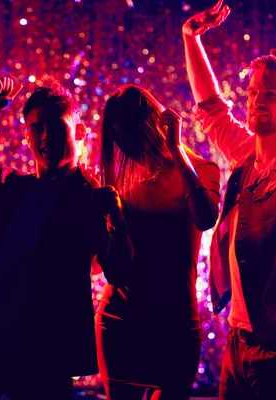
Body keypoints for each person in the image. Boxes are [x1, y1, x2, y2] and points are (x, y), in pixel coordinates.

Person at [0, 78, 133, 400]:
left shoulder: (92, 201)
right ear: (27, 136)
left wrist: (117, 221)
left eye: (56, 127)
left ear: (79, 133)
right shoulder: (10, 187)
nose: (46, 137)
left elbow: (120, 273)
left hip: (43, 354)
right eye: (36, 128)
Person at [184, 2, 276, 398]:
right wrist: (191, 37)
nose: (255, 99)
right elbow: (211, 107)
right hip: (239, 341)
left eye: (271, 94)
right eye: (252, 91)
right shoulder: (246, 156)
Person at [95, 85, 220, 400]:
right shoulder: (118, 182)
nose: (127, 150)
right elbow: (111, 270)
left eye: (131, 138)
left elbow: (205, 217)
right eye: (120, 142)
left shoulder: (201, 169)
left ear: (150, 125)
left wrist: (176, 148)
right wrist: (116, 223)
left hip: (176, 323)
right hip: (120, 320)